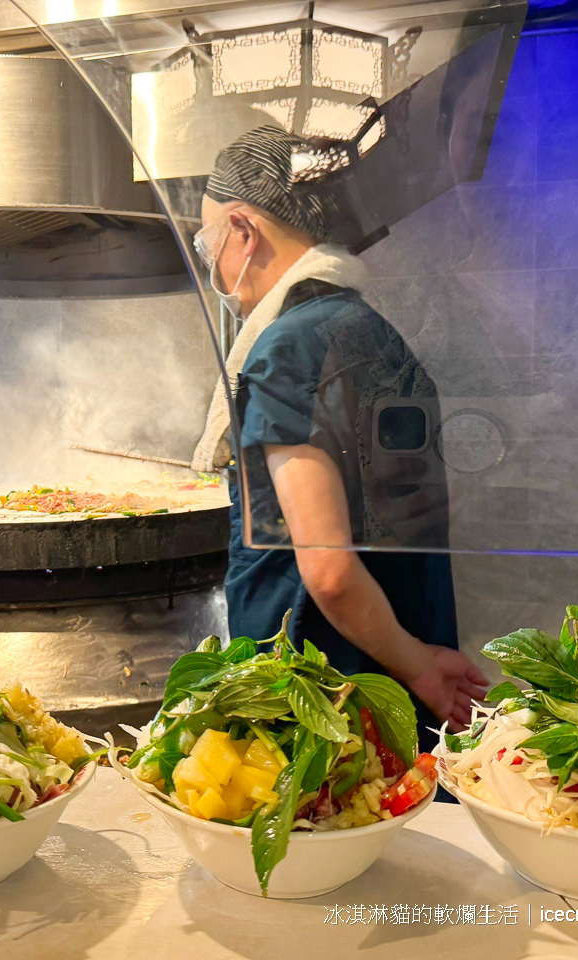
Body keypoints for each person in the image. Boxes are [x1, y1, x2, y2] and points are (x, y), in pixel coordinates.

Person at [190, 126, 487, 738]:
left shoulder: (288, 349)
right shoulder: (370, 332)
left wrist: (421, 667)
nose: (210, 262)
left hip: (321, 698)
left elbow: (327, 570)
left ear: (243, 233)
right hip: (383, 692)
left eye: (207, 242)